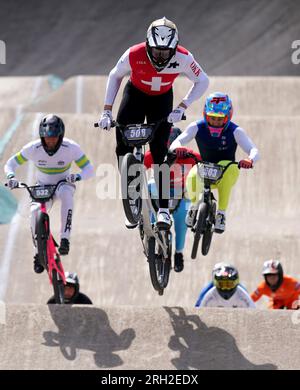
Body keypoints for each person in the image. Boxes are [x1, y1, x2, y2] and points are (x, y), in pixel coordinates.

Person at [98, 16, 209, 230]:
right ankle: (131, 192)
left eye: (166, 52)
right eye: (157, 51)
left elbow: (203, 81)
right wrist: (106, 111)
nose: (161, 57)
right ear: (148, 45)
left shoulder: (185, 58)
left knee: (159, 153)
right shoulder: (133, 53)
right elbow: (115, 76)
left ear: (174, 48)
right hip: (135, 95)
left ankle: (164, 211)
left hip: (162, 100)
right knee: (122, 144)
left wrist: (182, 107)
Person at [4, 114, 95, 273]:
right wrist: (11, 177)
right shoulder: (33, 148)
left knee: (67, 195)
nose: (50, 141)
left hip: (62, 184)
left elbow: (89, 169)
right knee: (34, 212)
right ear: (42, 136)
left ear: (61, 136)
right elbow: (10, 164)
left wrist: (77, 176)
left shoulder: (71, 148)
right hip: (42, 186)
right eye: (47, 138)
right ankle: (38, 253)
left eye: (54, 137)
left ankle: (65, 238)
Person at [169, 91, 260, 233]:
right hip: (204, 168)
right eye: (212, 118)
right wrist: (178, 147)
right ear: (205, 115)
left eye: (220, 119)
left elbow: (253, 149)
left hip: (226, 172)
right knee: (192, 175)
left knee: (226, 164)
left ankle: (221, 214)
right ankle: (193, 207)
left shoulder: (236, 131)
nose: (216, 122)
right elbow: (177, 141)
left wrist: (249, 159)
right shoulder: (196, 126)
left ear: (228, 117)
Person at [144, 127, 201, 272]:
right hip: (157, 192)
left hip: (180, 194)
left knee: (181, 222)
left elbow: (205, 165)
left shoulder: (189, 155)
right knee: (150, 186)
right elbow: (137, 168)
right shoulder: (154, 153)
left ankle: (179, 253)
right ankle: (150, 232)